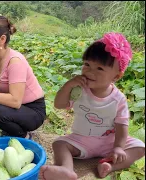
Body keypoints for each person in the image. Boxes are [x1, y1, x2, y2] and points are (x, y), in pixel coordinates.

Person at [39, 32, 145, 180]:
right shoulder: (78, 89)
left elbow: (122, 126)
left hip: (110, 142)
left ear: (116, 76)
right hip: (82, 140)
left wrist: (118, 147)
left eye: (99, 69)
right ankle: (66, 170)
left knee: (140, 147)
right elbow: (59, 104)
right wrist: (68, 85)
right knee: (59, 144)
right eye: (87, 64)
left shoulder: (118, 99)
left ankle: (108, 166)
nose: (90, 71)